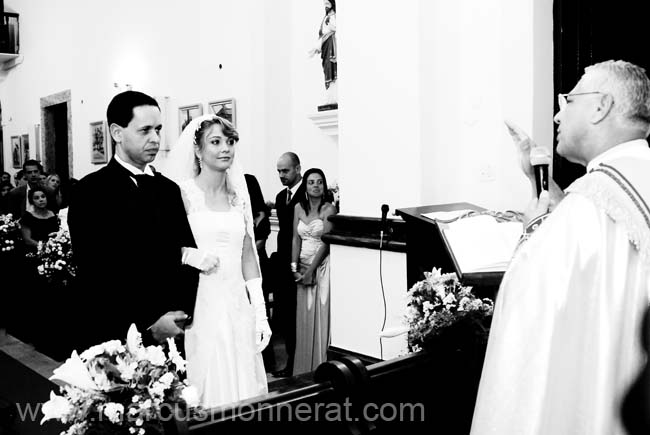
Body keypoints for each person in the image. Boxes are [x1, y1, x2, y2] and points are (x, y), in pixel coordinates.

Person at [471, 60, 650, 435]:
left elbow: (533, 305)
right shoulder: (631, 180)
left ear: (600, 106)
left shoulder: (592, 203)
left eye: (568, 100)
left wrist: (532, 227)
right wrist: (541, 182)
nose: (556, 115)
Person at [67, 91, 202, 352]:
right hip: (115, 334)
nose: (155, 139)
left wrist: (179, 314)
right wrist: (149, 327)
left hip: (173, 332)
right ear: (117, 133)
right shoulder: (90, 192)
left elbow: (187, 255)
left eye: (158, 129)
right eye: (145, 130)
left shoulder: (169, 190)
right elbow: (96, 273)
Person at [163, 114, 271, 408]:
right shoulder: (182, 194)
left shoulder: (240, 197)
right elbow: (162, 248)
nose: (226, 148)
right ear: (198, 150)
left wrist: (259, 311)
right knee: (206, 380)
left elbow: (248, 253)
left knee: (244, 383)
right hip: (200, 303)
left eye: (230, 141)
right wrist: (190, 255)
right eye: (216, 142)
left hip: (237, 303)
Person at [291, 168, 336, 375]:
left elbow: (326, 243)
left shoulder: (329, 209)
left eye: (319, 182)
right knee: (304, 317)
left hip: (321, 267)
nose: (315, 186)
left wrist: (311, 271)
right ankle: (303, 368)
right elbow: (295, 238)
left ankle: (320, 367)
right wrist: (294, 268)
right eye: (311, 182)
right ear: (306, 186)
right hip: (301, 267)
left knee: (320, 311)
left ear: (324, 186)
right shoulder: (298, 207)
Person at [271, 152, 304, 378]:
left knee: (298, 315)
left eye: (286, 171)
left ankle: (300, 362)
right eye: (279, 171)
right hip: (283, 263)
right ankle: (290, 361)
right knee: (285, 315)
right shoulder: (281, 196)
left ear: (297, 168)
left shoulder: (308, 192)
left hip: (302, 262)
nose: (281, 175)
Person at [245, 172, 276, 371]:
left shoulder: (261, 215)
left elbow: (259, 244)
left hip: (258, 264)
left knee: (258, 310)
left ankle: (266, 359)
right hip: (244, 263)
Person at [308, 0, 337, 105]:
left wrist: (331, 24)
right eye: (324, 4)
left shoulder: (333, 16)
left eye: (327, 3)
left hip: (331, 47)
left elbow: (334, 28)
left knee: (332, 71)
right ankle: (330, 97)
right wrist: (316, 47)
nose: (325, 6)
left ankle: (333, 98)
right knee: (327, 70)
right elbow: (323, 34)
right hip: (325, 46)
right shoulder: (326, 17)